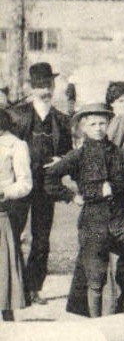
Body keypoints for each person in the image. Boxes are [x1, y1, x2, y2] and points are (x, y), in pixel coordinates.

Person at [46, 101, 124, 316]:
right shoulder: (77, 156)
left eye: (102, 123)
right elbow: (50, 177)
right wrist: (72, 196)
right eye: (93, 124)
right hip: (93, 222)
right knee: (96, 279)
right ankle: (95, 323)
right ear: (84, 128)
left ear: (108, 125)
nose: (98, 128)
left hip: (119, 220)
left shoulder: (119, 153)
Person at [9, 61, 73, 305]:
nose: (45, 90)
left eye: (48, 84)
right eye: (39, 86)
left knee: (42, 238)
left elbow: (69, 154)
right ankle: (12, 287)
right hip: (21, 185)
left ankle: (34, 287)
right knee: (13, 235)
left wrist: (61, 160)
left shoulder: (61, 120)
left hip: (47, 186)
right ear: (31, 88)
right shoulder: (17, 115)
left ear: (54, 85)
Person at [0, 108, 32, 320]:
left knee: (2, 269)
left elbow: (25, 183)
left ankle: (7, 320)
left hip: (1, 212)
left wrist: (4, 192)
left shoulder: (16, 145)